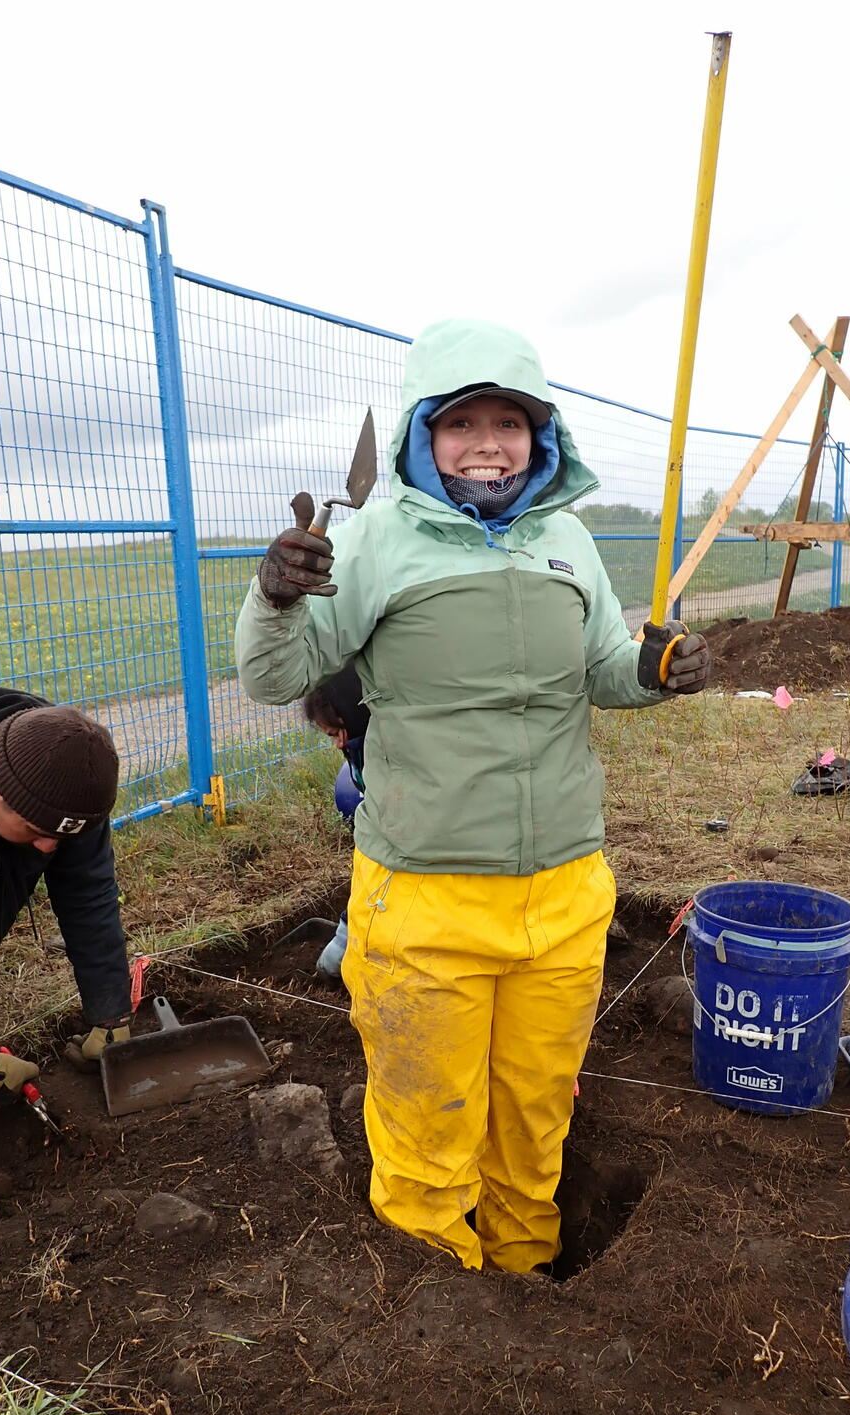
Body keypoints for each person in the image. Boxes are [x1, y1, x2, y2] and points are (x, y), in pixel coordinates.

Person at [235, 318, 709, 1272]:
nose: (488, 444)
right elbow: (273, 676)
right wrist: (274, 597)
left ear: (543, 437)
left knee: (534, 1122)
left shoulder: (567, 538)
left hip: (566, 893)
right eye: (461, 424)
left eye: (510, 422)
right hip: (426, 897)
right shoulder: (374, 542)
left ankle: (526, 1277)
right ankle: (447, 1322)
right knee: (428, 1134)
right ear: (422, 435)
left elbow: (601, 669)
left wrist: (652, 668)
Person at [0, 684, 133, 1099]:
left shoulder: (66, 777)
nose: (48, 848)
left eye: (59, 837)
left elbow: (88, 895)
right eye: (36, 833)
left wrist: (110, 1012)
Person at [300, 664, 369, 983]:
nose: (338, 745)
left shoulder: (382, 752)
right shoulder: (361, 745)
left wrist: (346, 934)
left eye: (337, 733)